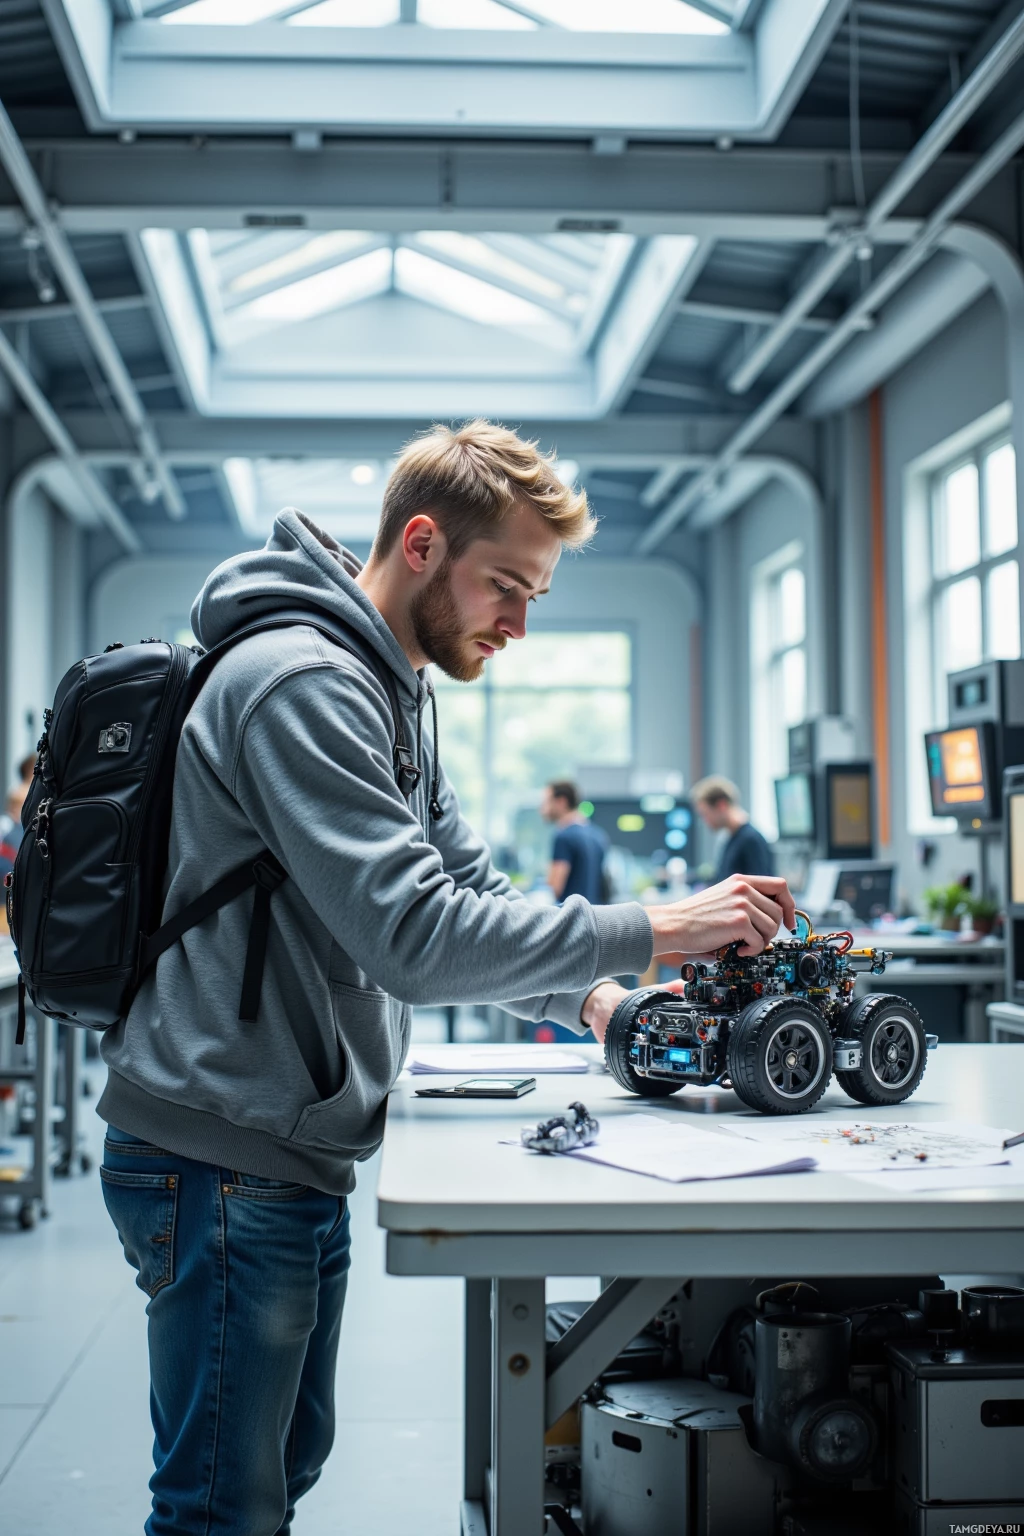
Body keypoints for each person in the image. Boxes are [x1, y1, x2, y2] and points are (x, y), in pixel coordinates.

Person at [97, 419, 796, 1536]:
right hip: (217, 1154)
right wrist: (659, 927)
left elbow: (469, 888)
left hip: (283, 1144)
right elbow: (415, 940)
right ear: (421, 544)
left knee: (279, 1470)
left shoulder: (389, 689)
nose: (519, 624)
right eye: (505, 587)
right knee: (221, 1508)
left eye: (536, 596)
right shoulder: (302, 686)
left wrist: (603, 1003)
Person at [690, 774, 775, 881]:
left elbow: (763, 889)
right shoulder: (731, 839)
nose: (705, 821)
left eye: (705, 814)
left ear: (721, 805)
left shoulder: (751, 840)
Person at [541, 779, 609, 905]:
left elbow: (555, 887)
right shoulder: (598, 835)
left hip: (572, 918)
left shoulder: (564, 837)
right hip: (594, 915)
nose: (542, 809)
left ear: (561, 801)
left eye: (546, 802)